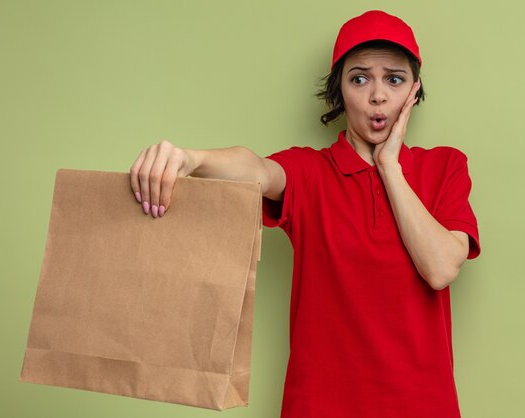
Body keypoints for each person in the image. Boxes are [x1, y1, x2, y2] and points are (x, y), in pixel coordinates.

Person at [130, 9, 481, 418]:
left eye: (395, 79)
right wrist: (190, 157)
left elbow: (440, 268)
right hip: (319, 406)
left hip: (424, 406)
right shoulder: (311, 171)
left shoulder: (445, 167)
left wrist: (389, 166)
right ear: (340, 92)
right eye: (360, 78)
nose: (378, 96)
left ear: (413, 93)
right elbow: (256, 168)